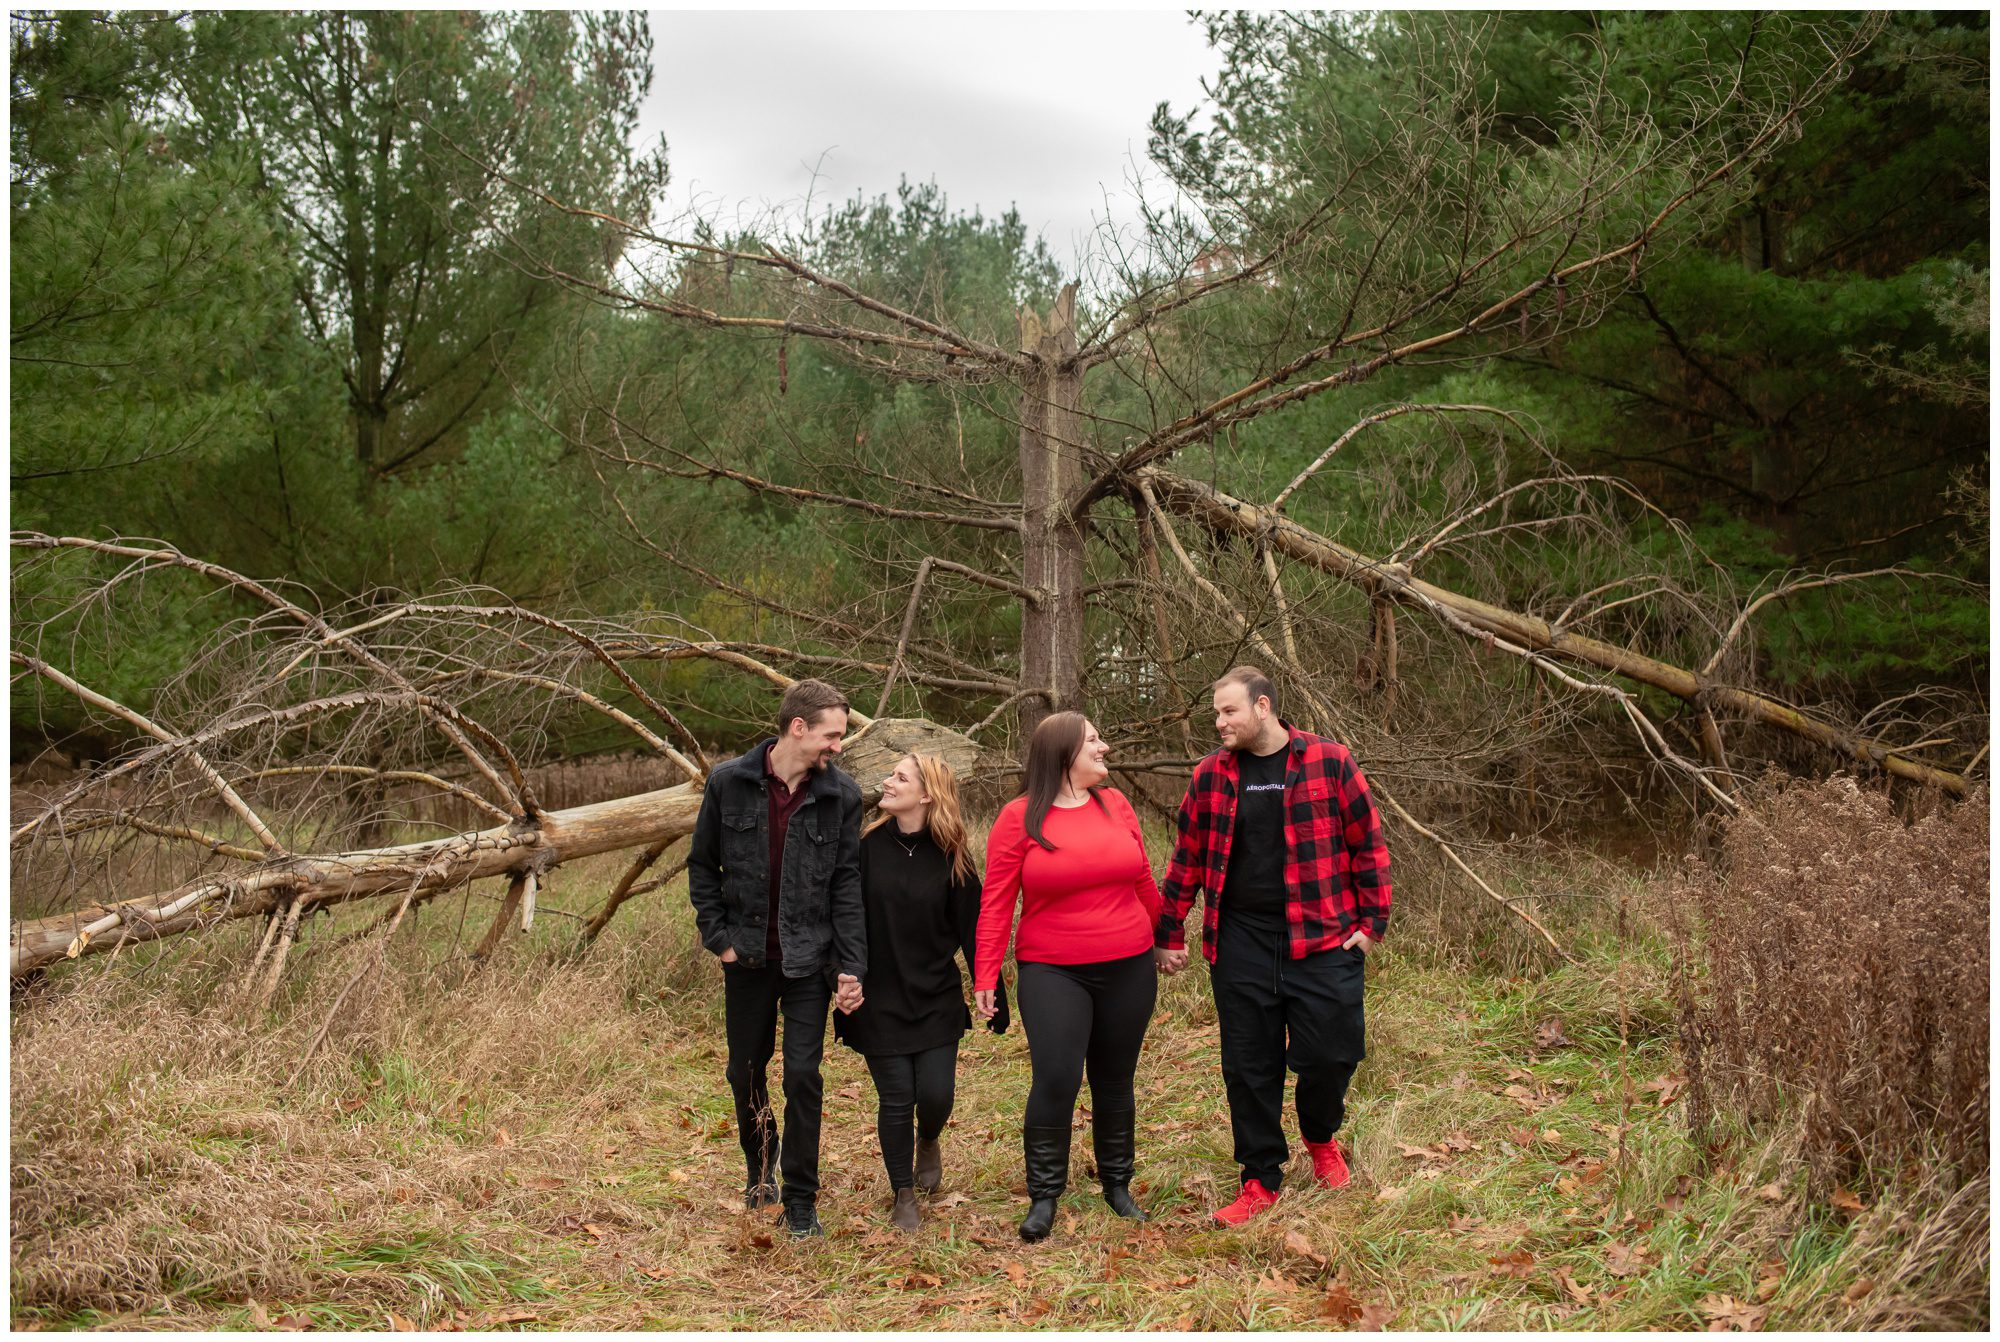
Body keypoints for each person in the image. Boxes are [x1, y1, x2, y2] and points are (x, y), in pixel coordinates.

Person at [1155, 666, 1392, 1226]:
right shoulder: (1211, 775)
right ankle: (1260, 1177)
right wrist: (1169, 931)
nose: (1219, 722)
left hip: (1323, 938)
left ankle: (1319, 1135)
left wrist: (1371, 923)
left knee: (1333, 1054)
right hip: (1242, 942)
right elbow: (1186, 858)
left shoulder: (1330, 761)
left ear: (1263, 707)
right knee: (1249, 1066)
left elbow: (1368, 844)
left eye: (1228, 711)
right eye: (1216, 712)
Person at [687, 678, 866, 1239]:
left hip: (809, 961)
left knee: (804, 1075)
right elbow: (702, 868)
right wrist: (721, 940)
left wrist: (851, 965)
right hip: (747, 961)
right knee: (745, 1072)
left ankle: (800, 1198)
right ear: (797, 728)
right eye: (831, 735)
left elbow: (846, 885)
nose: (837, 746)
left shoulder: (843, 796)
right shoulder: (728, 784)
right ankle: (760, 1168)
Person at [974, 711, 1162, 1242]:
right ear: (1063, 754)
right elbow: (995, 903)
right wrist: (986, 973)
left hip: (1129, 964)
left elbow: (1143, 878)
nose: (1104, 748)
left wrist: (1166, 936)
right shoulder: (1018, 817)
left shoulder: (1115, 803)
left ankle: (1118, 1185)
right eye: (1094, 741)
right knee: (1056, 1078)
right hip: (1053, 969)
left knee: (1114, 1078)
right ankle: (1045, 1195)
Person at [835, 752, 1008, 1232]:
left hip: (934, 994)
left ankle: (928, 1138)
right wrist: (842, 974)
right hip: (878, 997)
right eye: (890, 775)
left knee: (935, 1095)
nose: (887, 782)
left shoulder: (953, 857)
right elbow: (843, 918)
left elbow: (973, 929)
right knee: (895, 1096)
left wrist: (989, 987)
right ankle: (903, 1192)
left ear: (927, 794)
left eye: (900, 777)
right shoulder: (864, 847)